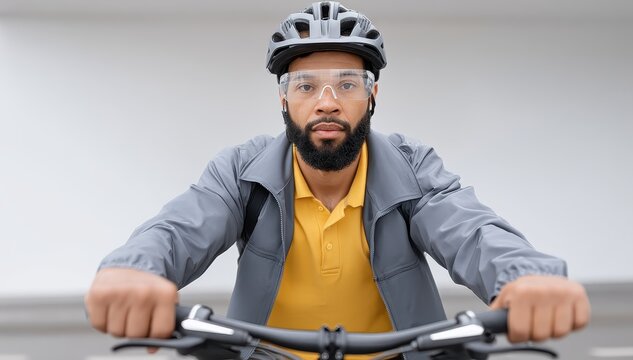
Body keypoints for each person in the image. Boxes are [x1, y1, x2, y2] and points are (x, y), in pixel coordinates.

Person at [85, 2, 590, 359]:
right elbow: (182, 225)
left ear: (372, 97)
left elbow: (471, 228)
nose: (327, 101)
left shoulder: (414, 167)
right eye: (306, 85)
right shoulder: (240, 169)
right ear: (284, 100)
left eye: (347, 84)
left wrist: (526, 275)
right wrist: (136, 269)